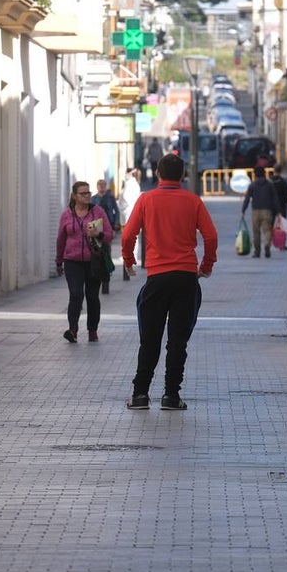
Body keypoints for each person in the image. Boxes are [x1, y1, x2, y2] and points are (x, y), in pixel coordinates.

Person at [122, 154, 217, 411]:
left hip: (157, 278)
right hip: (186, 278)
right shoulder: (193, 201)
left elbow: (128, 234)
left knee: (150, 338)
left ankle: (140, 394)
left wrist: (129, 260)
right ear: (183, 175)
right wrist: (205, 266)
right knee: (178, 341)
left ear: (157, 173)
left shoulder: (146, 200)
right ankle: (171, 396)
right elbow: (210, 236)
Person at [55, 181, 114, 343]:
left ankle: (92, 330)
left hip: (93, 260)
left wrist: (98, 234)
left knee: (92, 296)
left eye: (88, 193)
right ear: (75, 196)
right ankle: (73, 330)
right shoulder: (67, 215)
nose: (87, 196)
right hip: (72, 261)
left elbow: (110, 234)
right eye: (83, 193)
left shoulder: (98, 212)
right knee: (75, 294)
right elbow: (61, 239)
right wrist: (59, 260)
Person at [240, 166, 281, 258]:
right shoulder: (270, 185)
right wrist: (278, 211)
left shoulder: (252, 185)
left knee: (256, 232)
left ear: (255, 174)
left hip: (256, 211)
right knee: (267, 230)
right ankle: (267, 244)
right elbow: (275, 199)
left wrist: (243, 211)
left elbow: (247, 199)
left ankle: (257, 252)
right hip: (267, 211)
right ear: (264, 173)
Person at [93, 178, 121, 294]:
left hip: (108, 229)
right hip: (95, 230)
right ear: (97, 187)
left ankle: (106, 283)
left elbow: (116, 212)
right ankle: (97, 278)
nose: (102, 187)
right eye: (100, 185)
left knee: (106, 254)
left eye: (103, 185)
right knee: (96, 253)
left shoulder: (110, 198)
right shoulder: (93, 199)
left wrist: (115, 226)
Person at [119, 167, 142, 278]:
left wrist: (121, 205)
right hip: (129, 212)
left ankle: (131, 257)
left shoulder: (131, 185)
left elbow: (126, 199)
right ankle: (132, 256)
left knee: (130, 236)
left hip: (128, 212)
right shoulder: (133, 184)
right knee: (132, 236)